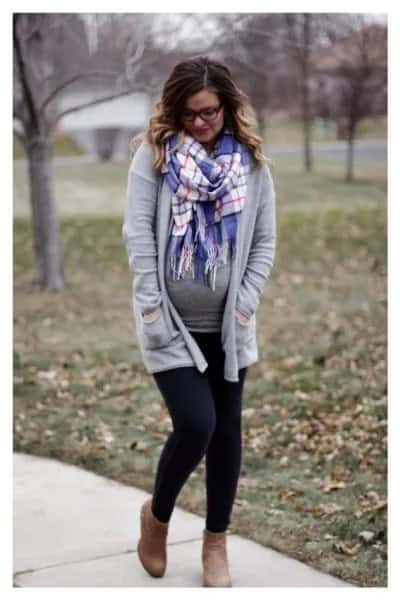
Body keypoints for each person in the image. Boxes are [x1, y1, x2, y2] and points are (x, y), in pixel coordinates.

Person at [122, 55, 277, 587]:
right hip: (170, 324)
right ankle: (157, 517)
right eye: (189, 114)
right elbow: (139, 235)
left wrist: (245, 302)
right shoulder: (155, 156)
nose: (200, 123)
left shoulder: (251, 163)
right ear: (175, 110)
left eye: (209, 112)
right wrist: (150, 305)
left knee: (226, 433)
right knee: (197, 424)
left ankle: (216, 544)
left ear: (227, 107)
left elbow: (263, 241)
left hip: (229, 325)